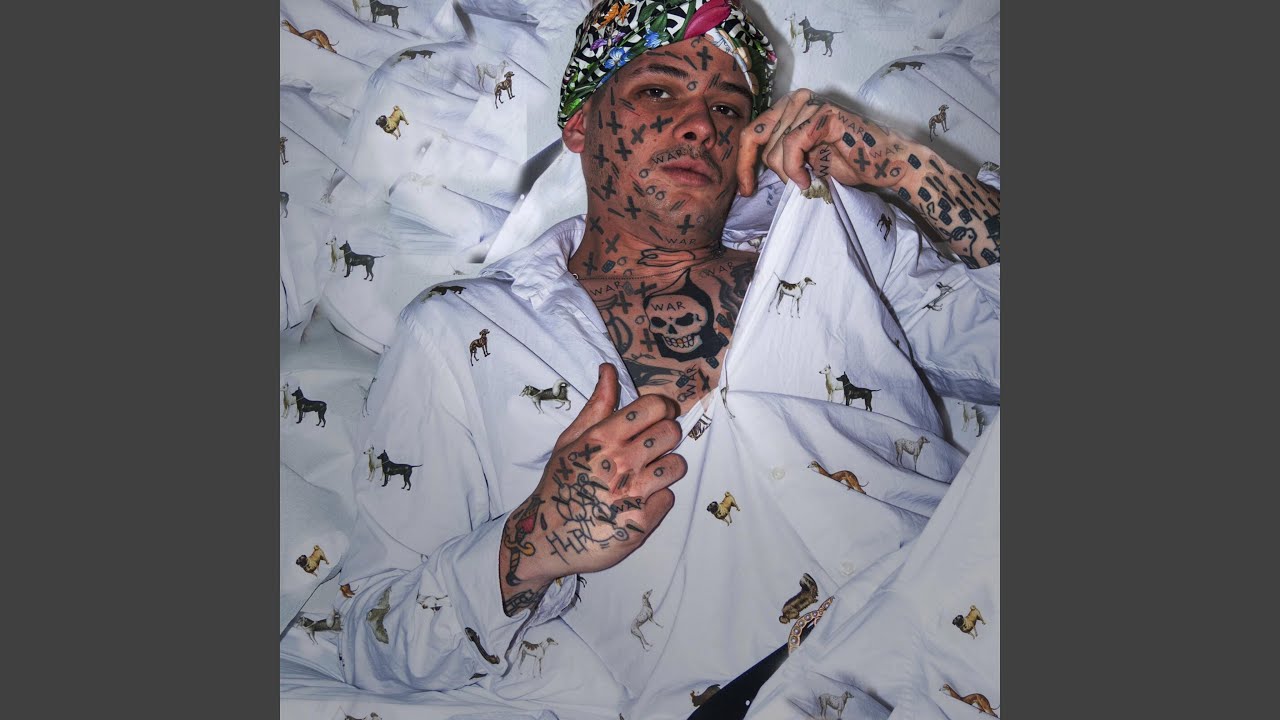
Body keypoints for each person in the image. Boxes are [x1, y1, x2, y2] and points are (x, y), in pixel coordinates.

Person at [336, 1, 1000, 718]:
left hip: (966, 598)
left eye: (728, 106)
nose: (700, 125)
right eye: (658, 91)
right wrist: (532, 542)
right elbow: (372, 644)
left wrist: (908, 171)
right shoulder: (460, 333)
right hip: (758, 696)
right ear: (579, 124)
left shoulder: (832, 225)